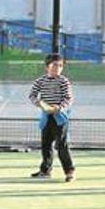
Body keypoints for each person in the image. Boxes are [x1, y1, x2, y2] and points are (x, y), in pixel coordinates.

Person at [28, 53, 75, 182]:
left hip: (60, 118)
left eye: (60, 66)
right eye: (54, 65)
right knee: (46, 145)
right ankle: (45, 170)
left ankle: (69, 171)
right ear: (47, 67)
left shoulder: (64, 81)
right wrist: (39, 103)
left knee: (61, 145)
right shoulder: (40, 81)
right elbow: (32, 95)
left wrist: (58, 108)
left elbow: (69, 98)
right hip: (46, 117)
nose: (57, 68)